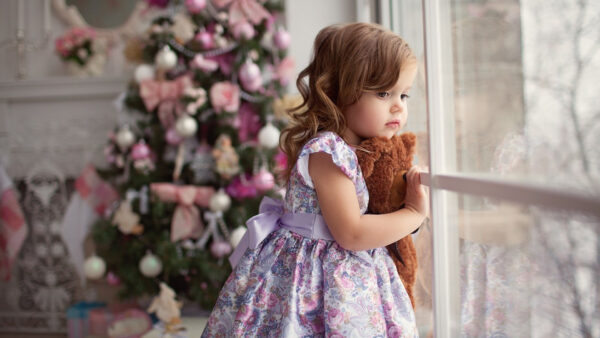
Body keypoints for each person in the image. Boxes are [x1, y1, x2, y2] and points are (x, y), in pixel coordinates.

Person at [201, 22, 428, 337]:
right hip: (317, 277)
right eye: (383, 92)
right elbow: (351, 233)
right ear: (340, 91)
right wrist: (413, 215)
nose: (398, 106)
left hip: (346, 273)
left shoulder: (360, 151)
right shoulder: (327, 152)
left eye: (404, 94)